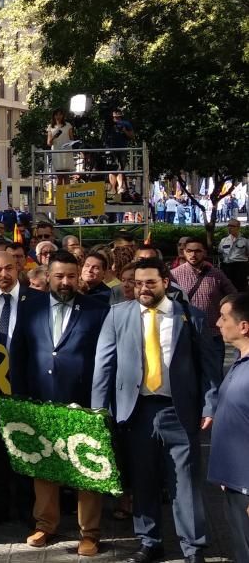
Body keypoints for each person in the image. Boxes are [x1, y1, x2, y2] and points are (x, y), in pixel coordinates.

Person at [92, 258, 219, 563]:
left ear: (166, 282)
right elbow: (103, 366)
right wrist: (98, 411)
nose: (143, 289)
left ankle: (192, 548)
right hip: (135, 413)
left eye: (150, 282)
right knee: (143, 480)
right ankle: (150, 542)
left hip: (179, 411)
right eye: (138, 283)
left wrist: (210, 404)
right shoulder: (117, 315)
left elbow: (209, 369)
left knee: (185, 483)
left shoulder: (191, 317)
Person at [10, 250, 110, 555]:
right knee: (44, 466)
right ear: (48, 276)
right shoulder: (31, 307)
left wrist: (98, 404)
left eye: (70, 276)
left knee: (87, 468)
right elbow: (18, 352)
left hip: (83, 403)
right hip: (41, 400)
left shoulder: (97, 309)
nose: (65, 282)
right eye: (58, 276)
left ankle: (89, 533)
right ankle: (45, 525)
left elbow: (105, 359)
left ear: (78, 275)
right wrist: (22, 398)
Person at [0, 251, 45, 530]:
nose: (3, 275)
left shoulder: (37, 301)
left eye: (8, 268)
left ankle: (27, 507)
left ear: (18, 268)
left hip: (24, 383)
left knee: (25, 446)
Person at [207, 293, 249, 561]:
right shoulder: (239, 359)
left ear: (243, 326)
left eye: (224, 317)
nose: (218, 323)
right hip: (235, 481)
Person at [171, 237, 237, 369]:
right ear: (184, 252)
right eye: (189, 251)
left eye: (197, 251)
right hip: (186, 334)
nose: (193, 254)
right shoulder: (174, 275)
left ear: (205, 253)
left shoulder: (216, 275)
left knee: (214, 377)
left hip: (213, 334)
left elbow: (233, 297)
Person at [105, 108, 134, 198]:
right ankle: (113, 188)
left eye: (118, 114)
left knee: (121, 168)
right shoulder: (109, 124)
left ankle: (120, 187)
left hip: (122, 148)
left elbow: (132, 136)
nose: (116, 116)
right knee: (112, 168)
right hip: (110, 148)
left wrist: (124, 130)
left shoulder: (126, 123)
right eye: (115, 113)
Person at [46, 108, 76, 181]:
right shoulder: (51, 127)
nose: (58, 116)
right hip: (56, 152)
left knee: (66, 177)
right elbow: (49, 143)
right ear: (54, 116)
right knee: (59, 177)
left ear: (63, 116)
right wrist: (54, 137)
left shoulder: (68, 125)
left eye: (60, 114)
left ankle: (67, 192)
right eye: (56, 115)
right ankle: (59, 192)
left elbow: (72, 139)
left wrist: (69, 144)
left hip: (66, 151)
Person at [219, 219, 249, 292]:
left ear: (238, 227)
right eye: (228, 226)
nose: (229, 228)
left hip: (240, 267)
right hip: (227, 267)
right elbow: (220, 252)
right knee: (227, 288)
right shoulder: (224, 240)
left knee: (240, 288)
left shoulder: (245, 241)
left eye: (232, 226)